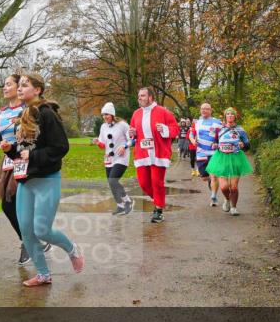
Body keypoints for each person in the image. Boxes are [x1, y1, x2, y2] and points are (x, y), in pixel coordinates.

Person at [1, 73, 83, 286]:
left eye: (25, 85)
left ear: (37, 90)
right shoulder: (24, 114)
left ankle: (72, 249)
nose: (19, 89)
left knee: (41, 230)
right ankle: (43, 274)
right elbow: (23, 151)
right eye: (19, 85)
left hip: (47, 179)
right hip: (25, 180)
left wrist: (33, 156)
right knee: (26, 231)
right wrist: (10, 150)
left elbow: (61, 147)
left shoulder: (47, 114)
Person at [0, 74, 50, 266]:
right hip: (7, 162)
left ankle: (33, 240)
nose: (5, 88)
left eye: (8, 84)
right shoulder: (1, 113)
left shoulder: (27, 109)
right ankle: (29, 240)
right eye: (4, 85)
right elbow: (1, 138)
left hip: (25, 159)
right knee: (7, 205)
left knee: (20, 203)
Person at [129, 87, 180, 223]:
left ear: (150, 97)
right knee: (144, 183)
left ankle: (158, 209)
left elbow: (176, 130)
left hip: (158, 153)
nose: (140, 98)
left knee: (157, 182)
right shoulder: (136, 114)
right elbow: (132, 131)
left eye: (143, 96)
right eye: (139, 96)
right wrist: (132, 133)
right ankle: (160, 200)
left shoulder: (163, 112)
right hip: (142, 153)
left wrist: (164, 129)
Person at [205, 107, 252, 216]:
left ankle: (234, 207)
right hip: (221, 158)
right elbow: (214, 142)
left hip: (236, 157)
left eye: (232, 114)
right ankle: (227, 199)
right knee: (224, 187)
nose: (230, 116)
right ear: (225, 116)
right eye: (228, 114)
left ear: (235, 116)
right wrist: (214, 145)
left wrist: (243, 145)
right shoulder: (219, 129)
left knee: (234, 186)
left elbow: (247, 144)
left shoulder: (240, 129)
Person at [92, 102, 133, 215]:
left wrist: (124, 146)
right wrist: (97, 142)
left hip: (121, 157)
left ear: (112, 114)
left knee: (112, 180)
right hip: (109, 159)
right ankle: (120, 206)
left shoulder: (123, 125)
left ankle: (127, 201)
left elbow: (132, 139)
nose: (105, 117)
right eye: (103, 115)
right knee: (111, 183)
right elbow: (103, 145)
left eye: (107, 114)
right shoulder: (103, 127)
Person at [191, 103, 222, 206]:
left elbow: (223, 136)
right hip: (201, 152)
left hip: (214, 153)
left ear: (211, 110)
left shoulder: (217, 122)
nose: (204, 110)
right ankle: (209, 179)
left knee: (214, 176)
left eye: (206, 109)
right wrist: (192, 141)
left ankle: (213, 197)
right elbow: (191, 134)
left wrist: (217, 144)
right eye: (202, 109)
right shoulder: (197, 123)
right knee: (204, 177)